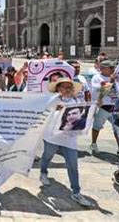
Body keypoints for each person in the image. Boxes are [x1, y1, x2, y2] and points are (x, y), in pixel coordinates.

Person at [39, 77, 92, 207]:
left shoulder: (77, 101)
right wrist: (55, 109)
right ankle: (43, 172)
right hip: (52, 137)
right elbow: (43, 113)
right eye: (64, 87)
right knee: (47, 156)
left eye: (69, 87)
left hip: (69, 139)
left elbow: (85, 114)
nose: (67, 89)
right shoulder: (51, 100)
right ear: (58, 88)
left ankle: (76, 192)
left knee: (73, 165)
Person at [89, 60, 119, 156]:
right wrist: (111, 82)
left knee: (117, 128)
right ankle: (94, 143)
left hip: (114, 107)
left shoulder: (114, 78)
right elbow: (100, 91)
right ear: (102, 69)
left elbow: (118, 92)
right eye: (111, 68)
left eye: (113, 68)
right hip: (103, 106)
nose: (113, 70)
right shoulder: (97, 78)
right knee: (97, 126)